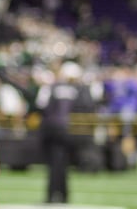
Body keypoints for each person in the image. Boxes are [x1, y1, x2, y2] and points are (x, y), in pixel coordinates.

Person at [34, 61, 95, 204]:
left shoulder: (51, 87)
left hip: (51, 129)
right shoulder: (79, 89)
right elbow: (88, 107)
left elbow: (40, 106)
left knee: (54, 165)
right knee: (63, 164)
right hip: (70, 130)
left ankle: (52, 196)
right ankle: (63, 195)